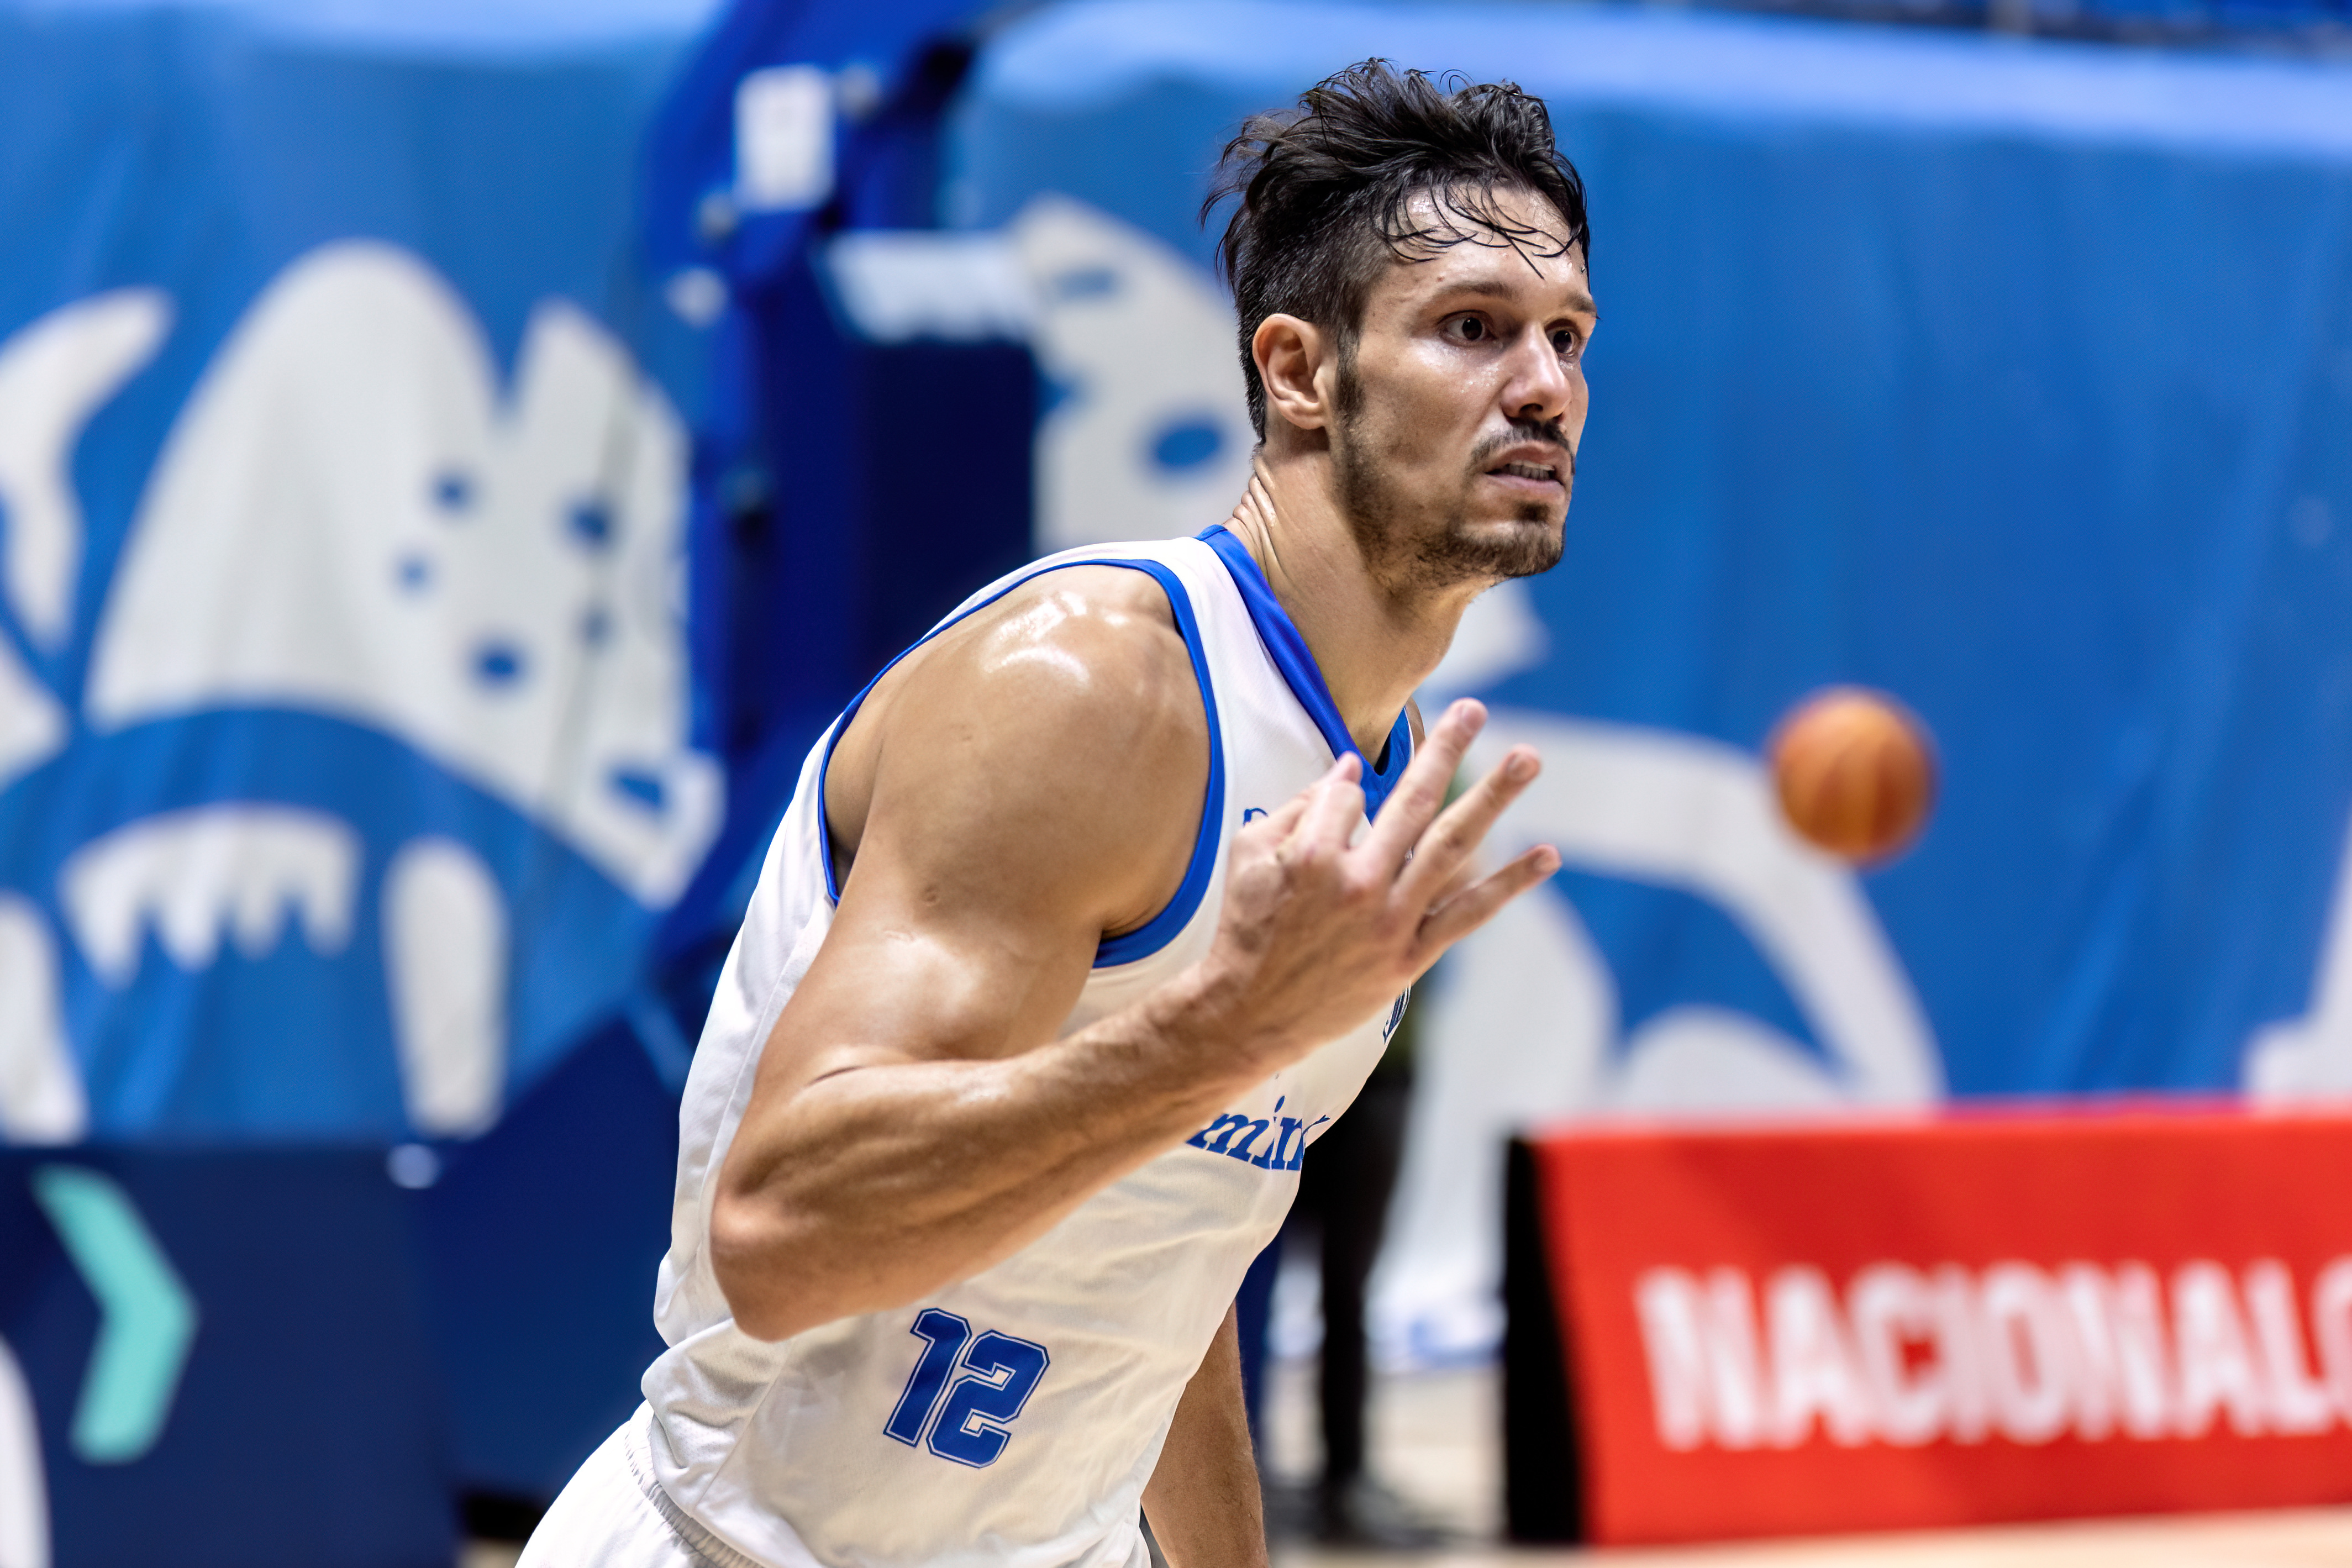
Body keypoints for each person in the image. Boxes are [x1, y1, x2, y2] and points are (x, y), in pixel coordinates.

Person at [521, 58, 1597, 1568]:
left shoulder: (1362, 761)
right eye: (1472, 329)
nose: (1543, 386)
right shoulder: (1094, 686)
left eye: (1565, 338)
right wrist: (1222, 1030)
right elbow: (778, 1233)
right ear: (1297, 372)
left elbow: (1162, 1249)